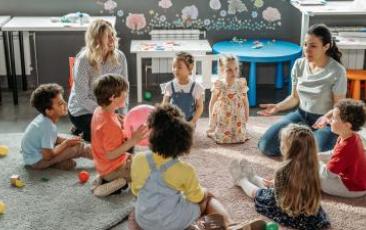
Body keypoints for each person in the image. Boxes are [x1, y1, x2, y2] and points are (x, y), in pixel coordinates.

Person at [129, 104, 262, 230]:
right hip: (173, 224)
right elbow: (196, 198)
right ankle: (230, 224)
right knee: (207, 197)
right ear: (183, 141)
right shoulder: (185, 170)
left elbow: (136, 191)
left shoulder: (139, 159)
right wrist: (203, 192)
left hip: (145, 221)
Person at [258, 24, 347, 156]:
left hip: (325, 121)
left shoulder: (337, 71)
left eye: (313, 46)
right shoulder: (299, 64)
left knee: (313, 157)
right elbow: (294, 98)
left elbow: (338, 106)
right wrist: (277, 107)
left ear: (326, 47)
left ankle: (309, 143)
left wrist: (325, 118)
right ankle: (302, 142)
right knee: (266, 146)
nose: (307, 50)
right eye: (305, 44)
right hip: (301, 115)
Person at [230, 124, 330, 229]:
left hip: (291, 212)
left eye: (283, 142)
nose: (280, 144)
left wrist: (275, 185)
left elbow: (277, 198)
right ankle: (254, 178)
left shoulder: (283, 170)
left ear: (289, 148)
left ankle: (241, 181)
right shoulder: (315, 165)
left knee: (260, 194)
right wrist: (276, 184)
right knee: (271, 187)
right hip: (311, 212)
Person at [68, 19, 128, 142]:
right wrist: (109, 114)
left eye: (113, 35)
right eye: (108, 36)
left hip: (108, 108)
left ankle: (85, 130)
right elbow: (82, 98)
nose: (112, 39)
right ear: (97, 40)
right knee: (106, 136)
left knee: (119, 132)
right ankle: (82, 129)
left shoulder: (120, 57)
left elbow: (124, 89)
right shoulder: (84, 60)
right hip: (82, 110)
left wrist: (123, 115)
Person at [90, 74, 148, 197]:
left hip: (103, 164)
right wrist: (133, 140)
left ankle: (103, 177)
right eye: (124, 93)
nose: (126, 95)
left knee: (139, 159)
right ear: (113, 97)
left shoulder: (100, 110)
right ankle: (112, 183)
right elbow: (110, 155)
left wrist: (121, 121)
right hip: (113, 167)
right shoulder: (110, 125)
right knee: (146, 173)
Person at [21, 84, 92, 170]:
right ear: (49, 111)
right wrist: (66, 144)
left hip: (32, 157)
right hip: (38, 161)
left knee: (70, 141)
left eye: (63, 101)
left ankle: (60, 163)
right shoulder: (48, 127)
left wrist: (66, 141)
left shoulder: (44, 119)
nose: (65, 104)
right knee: (79, 147)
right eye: (60, 103)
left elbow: (53, 137)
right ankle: (107, 158)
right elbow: (48, 155)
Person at [319, 99, 366, 198]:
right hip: (358, 181)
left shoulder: (346, 147)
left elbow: (328, 174)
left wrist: (315, 163)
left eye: (334, 118)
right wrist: (317, 155)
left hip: (353, 188)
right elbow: (333, 153)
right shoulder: (350, 136)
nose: (330, 120)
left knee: (319, 179)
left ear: (347, 125)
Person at [207, 54, 249, 144]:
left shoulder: (241, 84)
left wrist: (247, 114)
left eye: (236, 69)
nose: (233, 72)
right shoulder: (219, 84)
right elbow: (212, 102)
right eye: (229, 70)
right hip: (223, 117)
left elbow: (245, 101)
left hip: (237, 116)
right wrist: (211, 117)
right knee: (222, 132)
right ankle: (221, 133)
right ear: (222, 70)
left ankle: (236, 134)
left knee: (238, 131)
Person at [162, 52, 204, 125]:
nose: (175, 70)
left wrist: (193, 121)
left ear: (189, 69)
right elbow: (164, 104)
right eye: (174, 66)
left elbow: (200, 107)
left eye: (179, 67)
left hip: (189, 122)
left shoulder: (196, 87)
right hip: (173, 122)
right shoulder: (169, 86)